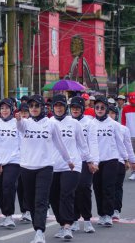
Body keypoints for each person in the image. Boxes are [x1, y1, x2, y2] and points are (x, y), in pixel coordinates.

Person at [15, 94, 73, 243]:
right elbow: (20, 127)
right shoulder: (26, 123)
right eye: (31, 106)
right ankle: (37, 227)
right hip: (27, 167)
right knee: (31, 201)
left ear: (43, 108)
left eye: (36, 106)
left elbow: (60, 144)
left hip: (45, 167)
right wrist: (19, 119)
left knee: (41, 200)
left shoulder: (51, 124)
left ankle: (40, 232)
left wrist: (68, 160)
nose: (34, 109)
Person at [49, 94, 91, 240]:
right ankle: (62, 224)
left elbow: (82, 145)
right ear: (52, 107)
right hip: (53, 166)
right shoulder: (48, 123)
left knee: (66, 194)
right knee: (53, 197)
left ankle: (67, 226)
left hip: (72, 165)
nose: (58, 108)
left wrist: (90, 161)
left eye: (61, 105)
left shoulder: (74, 124)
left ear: (65, 107)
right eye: (56, 105)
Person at [92, 96, 127, 227]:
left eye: (102, 107)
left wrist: (125, 158)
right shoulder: (91, 124)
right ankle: (101, 214)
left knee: (108, 187)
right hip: (95, 161)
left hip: (111, 159)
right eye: (97, 107)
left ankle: (108, 214)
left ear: (106, 108)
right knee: (97, 187)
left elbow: (120, 143)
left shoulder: (114, 125)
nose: (100, 110)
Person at [69, 96, 99, 234]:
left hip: (85, 161)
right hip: (70, 162)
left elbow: (93, 143)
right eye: (73, 108)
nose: (75, 110)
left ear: (82, 109)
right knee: (72, 190)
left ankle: (87, 220)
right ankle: (74, 220)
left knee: (85, 188)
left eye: (77, 108)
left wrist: (94, 162)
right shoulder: (66, 122)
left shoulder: (90, 123)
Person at [0, 98, 23, 229]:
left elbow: (23, 142)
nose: (4, 111)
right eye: (2, 108)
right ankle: (5, 214)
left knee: (8, 186)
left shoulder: (17, 123)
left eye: (7, 108)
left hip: (14, 161)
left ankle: (9, 215)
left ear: (12, 109)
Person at [108, 105, 135, 220]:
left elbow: (128, 146)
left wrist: (131, 160)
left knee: (117, 186)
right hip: (104, 162)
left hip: (119, 161)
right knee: (106, 187)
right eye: (108, 113)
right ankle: (106, 210)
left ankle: (116, 210)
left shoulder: (123, 129)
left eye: (112, 113)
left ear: (116, 115)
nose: (110, 115)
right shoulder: (96, 127)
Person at [121, 92, 135, 180]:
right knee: (132, 155)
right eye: (132, 101)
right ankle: (134, 172)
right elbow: (123, 122)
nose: (133, 102)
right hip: (130, 135)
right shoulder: (125, 109)